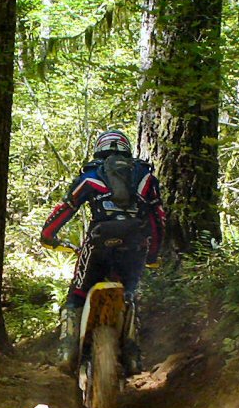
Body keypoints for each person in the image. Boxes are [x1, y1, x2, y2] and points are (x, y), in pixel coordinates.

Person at [40, 129, 166, 375]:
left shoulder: (91, 176)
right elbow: (157, 218)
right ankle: (131, 354)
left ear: (100, 148)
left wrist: (48, 235)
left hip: (99, 243)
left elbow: (66, 207)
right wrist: (152, 255)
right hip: (135, 247)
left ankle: (67, 351)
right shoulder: (145, 177)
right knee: (129, 296)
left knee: (76, 294)